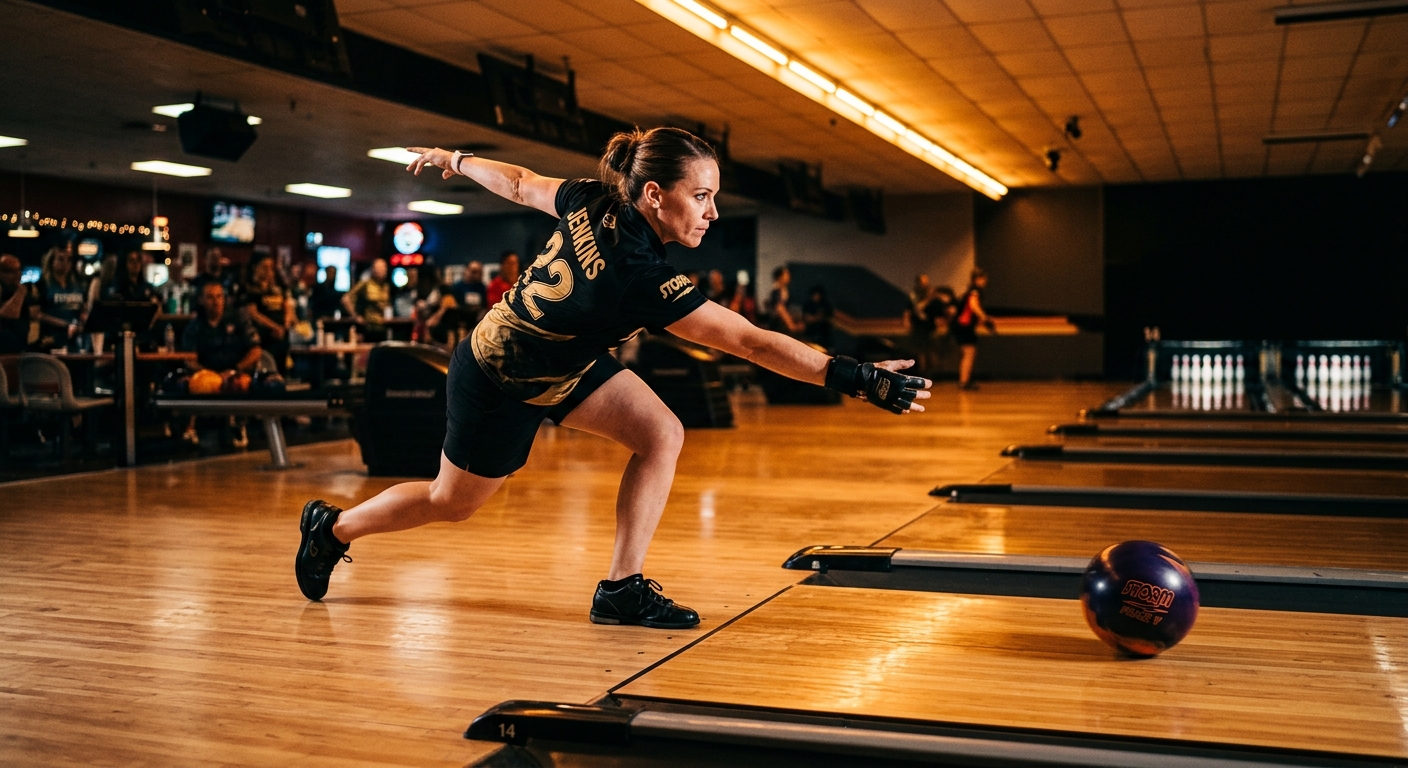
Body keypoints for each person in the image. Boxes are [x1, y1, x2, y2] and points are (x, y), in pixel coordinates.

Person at [293, 127, 931, 629]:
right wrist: (851, 375)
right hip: (498, 378)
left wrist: (457, 160)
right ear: (656, 195)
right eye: (701, 196)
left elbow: (517, 183)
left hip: (563, 363)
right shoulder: (641, 276)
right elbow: (747, 340)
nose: (711, 212)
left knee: (661, 433)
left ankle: (622, 588)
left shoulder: (592, 197)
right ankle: (333, 528)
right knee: (451, 503)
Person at [180, 282, 262, 446]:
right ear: (202, 300)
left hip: (235, 370)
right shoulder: (195, 325)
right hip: (207, 372)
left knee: (241, 382)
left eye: (219, 296)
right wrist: (209, 374)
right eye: (210, 297)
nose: (216, 301)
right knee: (194, 382)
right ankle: (190, 428)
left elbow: (256, 350)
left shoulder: (238, 319)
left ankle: (238, 425)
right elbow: (189, 358)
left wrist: (236, 369)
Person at [240, 254, 294, 372]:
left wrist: (285, 324)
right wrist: (275, 327)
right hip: (264, 337)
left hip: (281, 336)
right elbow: (253, 313)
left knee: (281, 370)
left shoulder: (277, 288)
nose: (268, 271)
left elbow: (287, 305)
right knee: (266, 371)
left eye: (270, 267)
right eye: (265, 267)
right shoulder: (249, 288)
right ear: (255, 268)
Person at [36, 244, 87, 350]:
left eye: (69, 260)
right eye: (60, 259)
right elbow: (37, 313)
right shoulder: (43, 285)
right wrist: (64, 324)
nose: (65, 263)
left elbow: (83, 308)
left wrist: (82, 321)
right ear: (51, 262)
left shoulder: (76, 286)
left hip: (75, 338)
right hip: (51, 338)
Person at [954, 268, 994, 390]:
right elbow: (973, 305)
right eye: (983, 279)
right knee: (969, 353)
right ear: (978, 279)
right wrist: (985, 318)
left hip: (963, 325)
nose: (985, 281)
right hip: (965, 326)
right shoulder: (975, 291)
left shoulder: (970, 290)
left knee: (968, 353)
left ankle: (964, 380)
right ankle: (964, 381)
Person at [342, 259, 393, 341]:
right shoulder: (365, 283)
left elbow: (387, 305)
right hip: (368, 327)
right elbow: (345, 299)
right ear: (373, 269)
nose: (383, 271)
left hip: (383, 327)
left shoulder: (386, 286)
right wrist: (356, 316)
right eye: (379, 268)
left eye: (384, 268)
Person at [0, 254, 37, 354]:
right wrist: (21, 292)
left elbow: (35, 314)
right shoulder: (17, 291)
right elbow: (10, 314)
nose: (18, 274)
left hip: (20, 347)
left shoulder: (24, 292)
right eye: (10, 271)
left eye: (18, 270)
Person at [765, 266, 799, 334]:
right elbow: (779, 308)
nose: (788, 276)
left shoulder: (783, 289)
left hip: (781, 322)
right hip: (778, 323)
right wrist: (790, 324)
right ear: (779, 277)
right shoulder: (776, 290)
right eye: (786, 274)